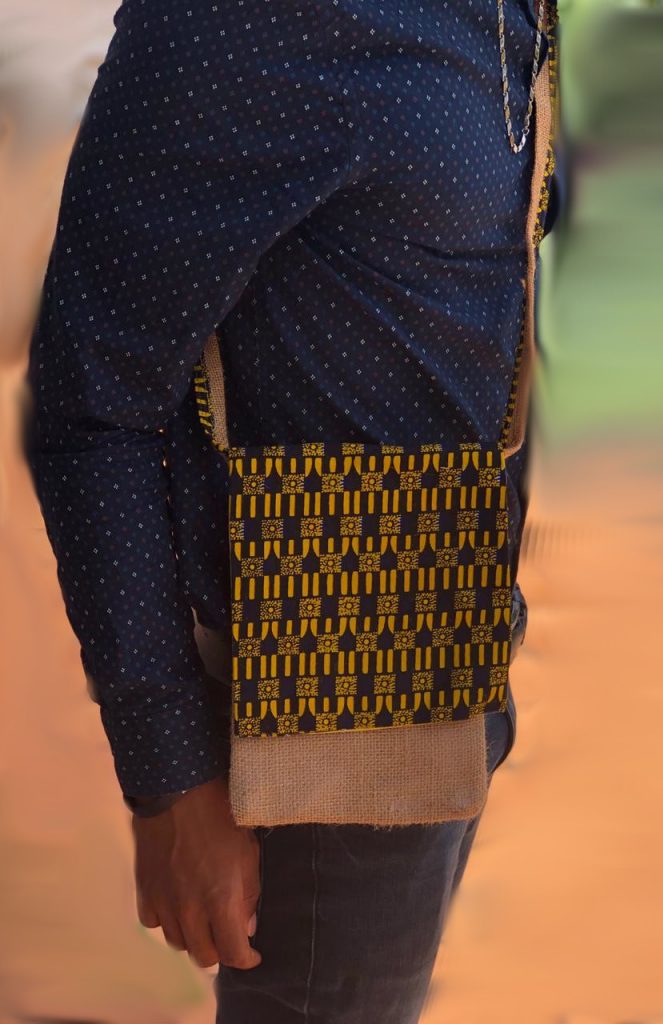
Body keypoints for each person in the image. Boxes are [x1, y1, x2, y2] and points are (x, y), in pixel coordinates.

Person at [21, 0, 558, 1020]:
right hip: (310, 730)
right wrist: (172, 777)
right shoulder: (250, 15)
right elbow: (94, 399)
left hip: (447, 654)